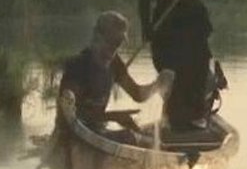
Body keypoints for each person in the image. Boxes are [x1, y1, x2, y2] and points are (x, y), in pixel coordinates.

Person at [138, 0, 219, 130]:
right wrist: (146, 26)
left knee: (197, 69)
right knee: (171, 72)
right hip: (167, 26)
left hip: (192, 24)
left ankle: (194, 115)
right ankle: (174, 117)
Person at [56, 11, 174, 144]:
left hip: (97, 131)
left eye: (118, 43)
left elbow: (137, 94)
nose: (114, 47)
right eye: (111, 40)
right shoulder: (79, 65)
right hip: (71, 135)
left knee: (146, 138)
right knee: (130, 137)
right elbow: (67, 115)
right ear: (98, 36)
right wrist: (114, 117)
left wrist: (157, 85)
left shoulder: (115, 64)